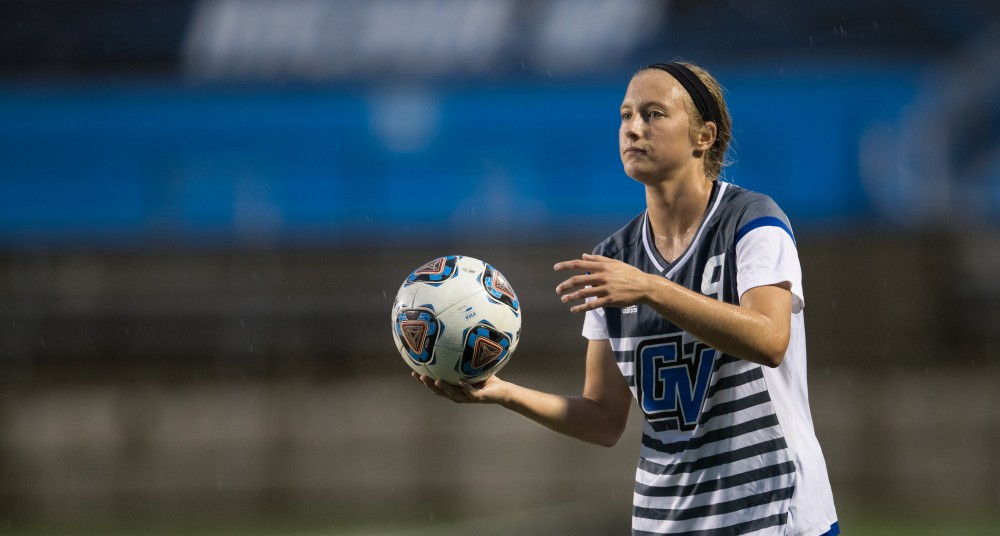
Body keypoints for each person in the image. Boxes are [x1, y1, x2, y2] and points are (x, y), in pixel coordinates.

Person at [413, 61, 839, 535]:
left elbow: (770, 339)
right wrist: (503, 393)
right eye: (625, 115)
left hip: (770, 514)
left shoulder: (752, 221)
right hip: (663, 523)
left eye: (654, 115)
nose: (633, 128)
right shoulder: (613, 258)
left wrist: (650, 288)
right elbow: (603, 418)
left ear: (704, 136)